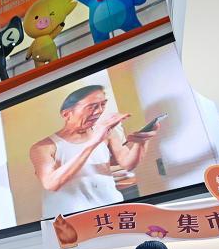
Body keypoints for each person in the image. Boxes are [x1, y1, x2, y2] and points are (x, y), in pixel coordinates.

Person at [30, 85, 159, 219]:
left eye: (102, 105)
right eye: (91, 107)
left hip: (111, 212)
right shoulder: (43, 147)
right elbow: (51, 183)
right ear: (67, 114)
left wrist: (141, 141)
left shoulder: (106, 132)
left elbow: (127, 163)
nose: (99, 111)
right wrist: (94, 142)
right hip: (70, 220)